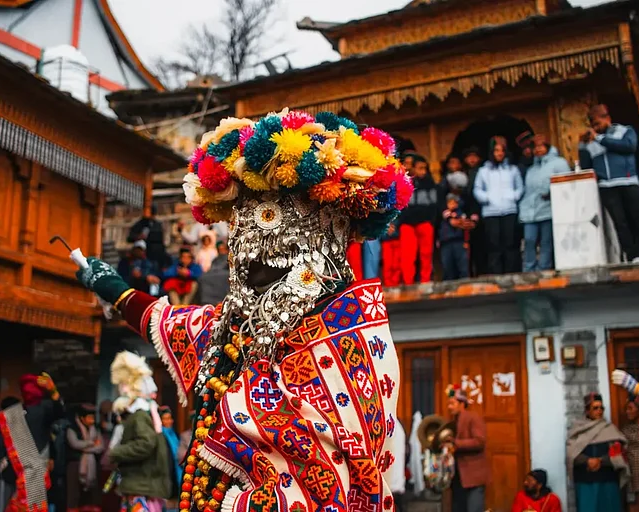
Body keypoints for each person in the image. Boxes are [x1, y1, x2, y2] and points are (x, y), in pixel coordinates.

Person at [76, 110, 411, 512]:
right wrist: (114, 289)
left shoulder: (350, 336)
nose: (255, 280)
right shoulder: (237, 326)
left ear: (320, 254)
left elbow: (323, 473)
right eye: (248, 265)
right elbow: (176, 325)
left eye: (274, 265)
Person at [0, 374, 65, 511]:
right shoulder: (13, 413)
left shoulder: (44, 408)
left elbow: (60, 411)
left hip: (33, 471)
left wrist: (53, 390)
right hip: (15, 472)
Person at [579, 104, 639, 262]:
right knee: (621, 223)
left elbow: (629, 147)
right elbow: (586, 166)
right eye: (593, 125)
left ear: (607, 118)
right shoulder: (591, 140)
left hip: (628, 181)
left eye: (598, 123)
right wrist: (582, 145)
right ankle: (634, 256)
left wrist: (600, 139)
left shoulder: (625, 131)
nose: (596, 128)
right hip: (607, 186)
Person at [107, 352, 172, 512]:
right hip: (143, 484)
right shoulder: (146, 413)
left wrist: (116, 452)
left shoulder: (139, 415)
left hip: (141, 484)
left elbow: (145, 443)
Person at [566, 392, 629, 512]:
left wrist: (600, 460)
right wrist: (587, 461)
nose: (599, 411)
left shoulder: (610, 429)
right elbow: (571, 454)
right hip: (586, 483)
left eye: (601, 408)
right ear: (587, 410)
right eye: (595, 408)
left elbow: (618, 453)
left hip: (608, 482)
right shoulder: (577, 430)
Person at [474, 136, 524, 274]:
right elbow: (477, 189)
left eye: (502, 151)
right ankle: (496, 274)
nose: (499, 153)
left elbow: (520, 187)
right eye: (496, 150)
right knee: (493, 245)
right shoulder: (483, 171)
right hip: (491, 212)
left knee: (510, 244)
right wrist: (487, 198)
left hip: (509, 210)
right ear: (492, 153)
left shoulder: (512, 170)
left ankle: (511, 272)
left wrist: (513, 197)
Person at [519, 135, 570, 271]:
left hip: (549, 209)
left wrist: (552, 193)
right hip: (530, 210)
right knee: (529, 240)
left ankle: (544, 268)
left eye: (541, 146)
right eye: (535, 147)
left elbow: (567, 184)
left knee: (546, 241)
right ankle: (529, 269)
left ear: (547, 147)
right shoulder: (531, 169)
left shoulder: (559, 163)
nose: (538, 150)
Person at [446, 386, 488, 512]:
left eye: (452, 403)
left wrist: (456, 443)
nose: (449, 407)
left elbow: (479, 442)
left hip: (473, 476)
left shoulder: (473, 417)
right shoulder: (454, 420)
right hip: (459, 477)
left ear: (462, 403)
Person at [399, 155, 439, 285]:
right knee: (407, 256)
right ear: (414, 168)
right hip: (407, 224)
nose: (423, 171)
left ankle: (425, 281)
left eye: (425, 168)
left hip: (425, 223)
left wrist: (431, 221)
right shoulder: (404, 182)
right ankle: (408, 283)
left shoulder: (430, 183)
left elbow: (435, 205)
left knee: (426, 254)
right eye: (420, 168)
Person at [66, 404, 103, 512]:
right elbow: (75, 444)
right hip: (76, 463)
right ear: (82, 418)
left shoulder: (95, 429)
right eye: (89, 417)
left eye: (93, 417)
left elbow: (100, 447)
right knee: (74, 492)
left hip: (93, 464)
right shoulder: (72, 429)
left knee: (92, 492)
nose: (92, 420)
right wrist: (92, 443)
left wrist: (87, 448)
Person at [462, 147, 487, 277]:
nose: (472, 159)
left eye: (474, 156)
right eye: (469, 157)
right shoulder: (462, 174)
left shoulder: (484, 172)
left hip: (482, 213)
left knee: (483, 246)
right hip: (465, 215)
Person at [439, 194, 471, 281]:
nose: (452, 204)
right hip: (446, 242)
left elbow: (465, 225)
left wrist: (466, 241)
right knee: (448, 269)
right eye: (449, 202)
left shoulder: (462, 213)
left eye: (454, 202)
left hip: (460, 242)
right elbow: (452, 222)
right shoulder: (443, 212)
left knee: (463, 269)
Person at [127, 207, 168, 271]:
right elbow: (129, 238)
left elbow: (160, 241)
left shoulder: (157, 225)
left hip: (156, 254)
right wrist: (138, 237)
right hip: (142, 256)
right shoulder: (139, 224)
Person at [158, 406, 182, 512]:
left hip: (175, 476)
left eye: (170, 418)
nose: (169, 421)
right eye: (166, 419)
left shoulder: (174, 435)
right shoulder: (159, 436)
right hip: (165, 476)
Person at [196, 241, 230, 306]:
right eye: (219, 249)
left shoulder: (228, 257)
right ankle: (206, 300)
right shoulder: (216, 259)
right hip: (213, 272)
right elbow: (212, 267)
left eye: (223, 249)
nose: (221, 251)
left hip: (225, 273)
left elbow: (226, 266)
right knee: (203, 277)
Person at [381, 216, 401, 287]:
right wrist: (387, 227)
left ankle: (395, 283)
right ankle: (388, 283)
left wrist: (394, 226)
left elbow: (403, 216)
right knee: (387, 263)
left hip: (397, 238)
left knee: (397, 263)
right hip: (386, 239)